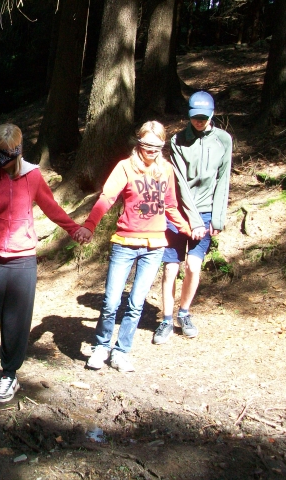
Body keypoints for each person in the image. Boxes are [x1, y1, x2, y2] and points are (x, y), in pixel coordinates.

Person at [0, 123, 83, 402]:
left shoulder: (32, 176)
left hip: (22, 261)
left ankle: (9, 375)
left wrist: (74, 229)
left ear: (18, 151)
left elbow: (51, 206)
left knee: (16, 322)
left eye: (9, 154)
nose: (4, 160)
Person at [74, 121, 192, 373]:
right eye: (147, 144)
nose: (151, 150)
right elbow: (107, 197)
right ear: (139, 142)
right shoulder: (125, 167)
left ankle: (121, 352)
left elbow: (171, 206)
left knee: (136, 303)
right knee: (111, 302)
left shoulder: (166, 170)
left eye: (156, 146)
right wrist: (90, 225)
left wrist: (187, 228)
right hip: (125, 244)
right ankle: (101, 347)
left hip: (154, 246)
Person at [153, 91, 232, 344]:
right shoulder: (178, 140)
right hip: (178, 212)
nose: (199, 121)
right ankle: (166, 319)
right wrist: (192, 220)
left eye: (204, 117)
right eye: (195, 117)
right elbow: (181, 183)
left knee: (193, 267)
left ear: (212, 114)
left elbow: (223, 180)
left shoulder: (223, 140)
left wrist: (217, 218)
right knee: (171, 268)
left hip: (206, 212)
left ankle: (184, 313)